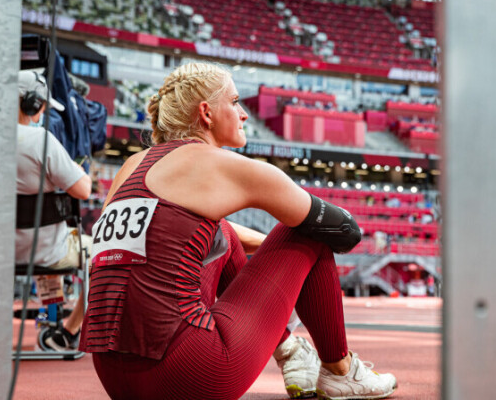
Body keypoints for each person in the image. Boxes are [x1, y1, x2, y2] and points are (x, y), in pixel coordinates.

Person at [79, 62, 397, 400]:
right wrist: (292, 262)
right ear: (207, 112)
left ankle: (291, 352)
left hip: (113, 375)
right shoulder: (218, 163)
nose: (243, 113)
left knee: (223, 234)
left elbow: (177, 235)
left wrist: (273, 260)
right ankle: (341, 372)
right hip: (189, 374)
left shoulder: (133, 166)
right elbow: (345, 231)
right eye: (234, 101)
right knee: (309, 232)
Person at [0, 70, 92, 351]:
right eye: (43, 105)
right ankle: (64, 331)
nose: (44, 111)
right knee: (102, 254)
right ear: (31, 103)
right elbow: (83, 190)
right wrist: (81, 173)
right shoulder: (41, 141)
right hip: (49, 253)